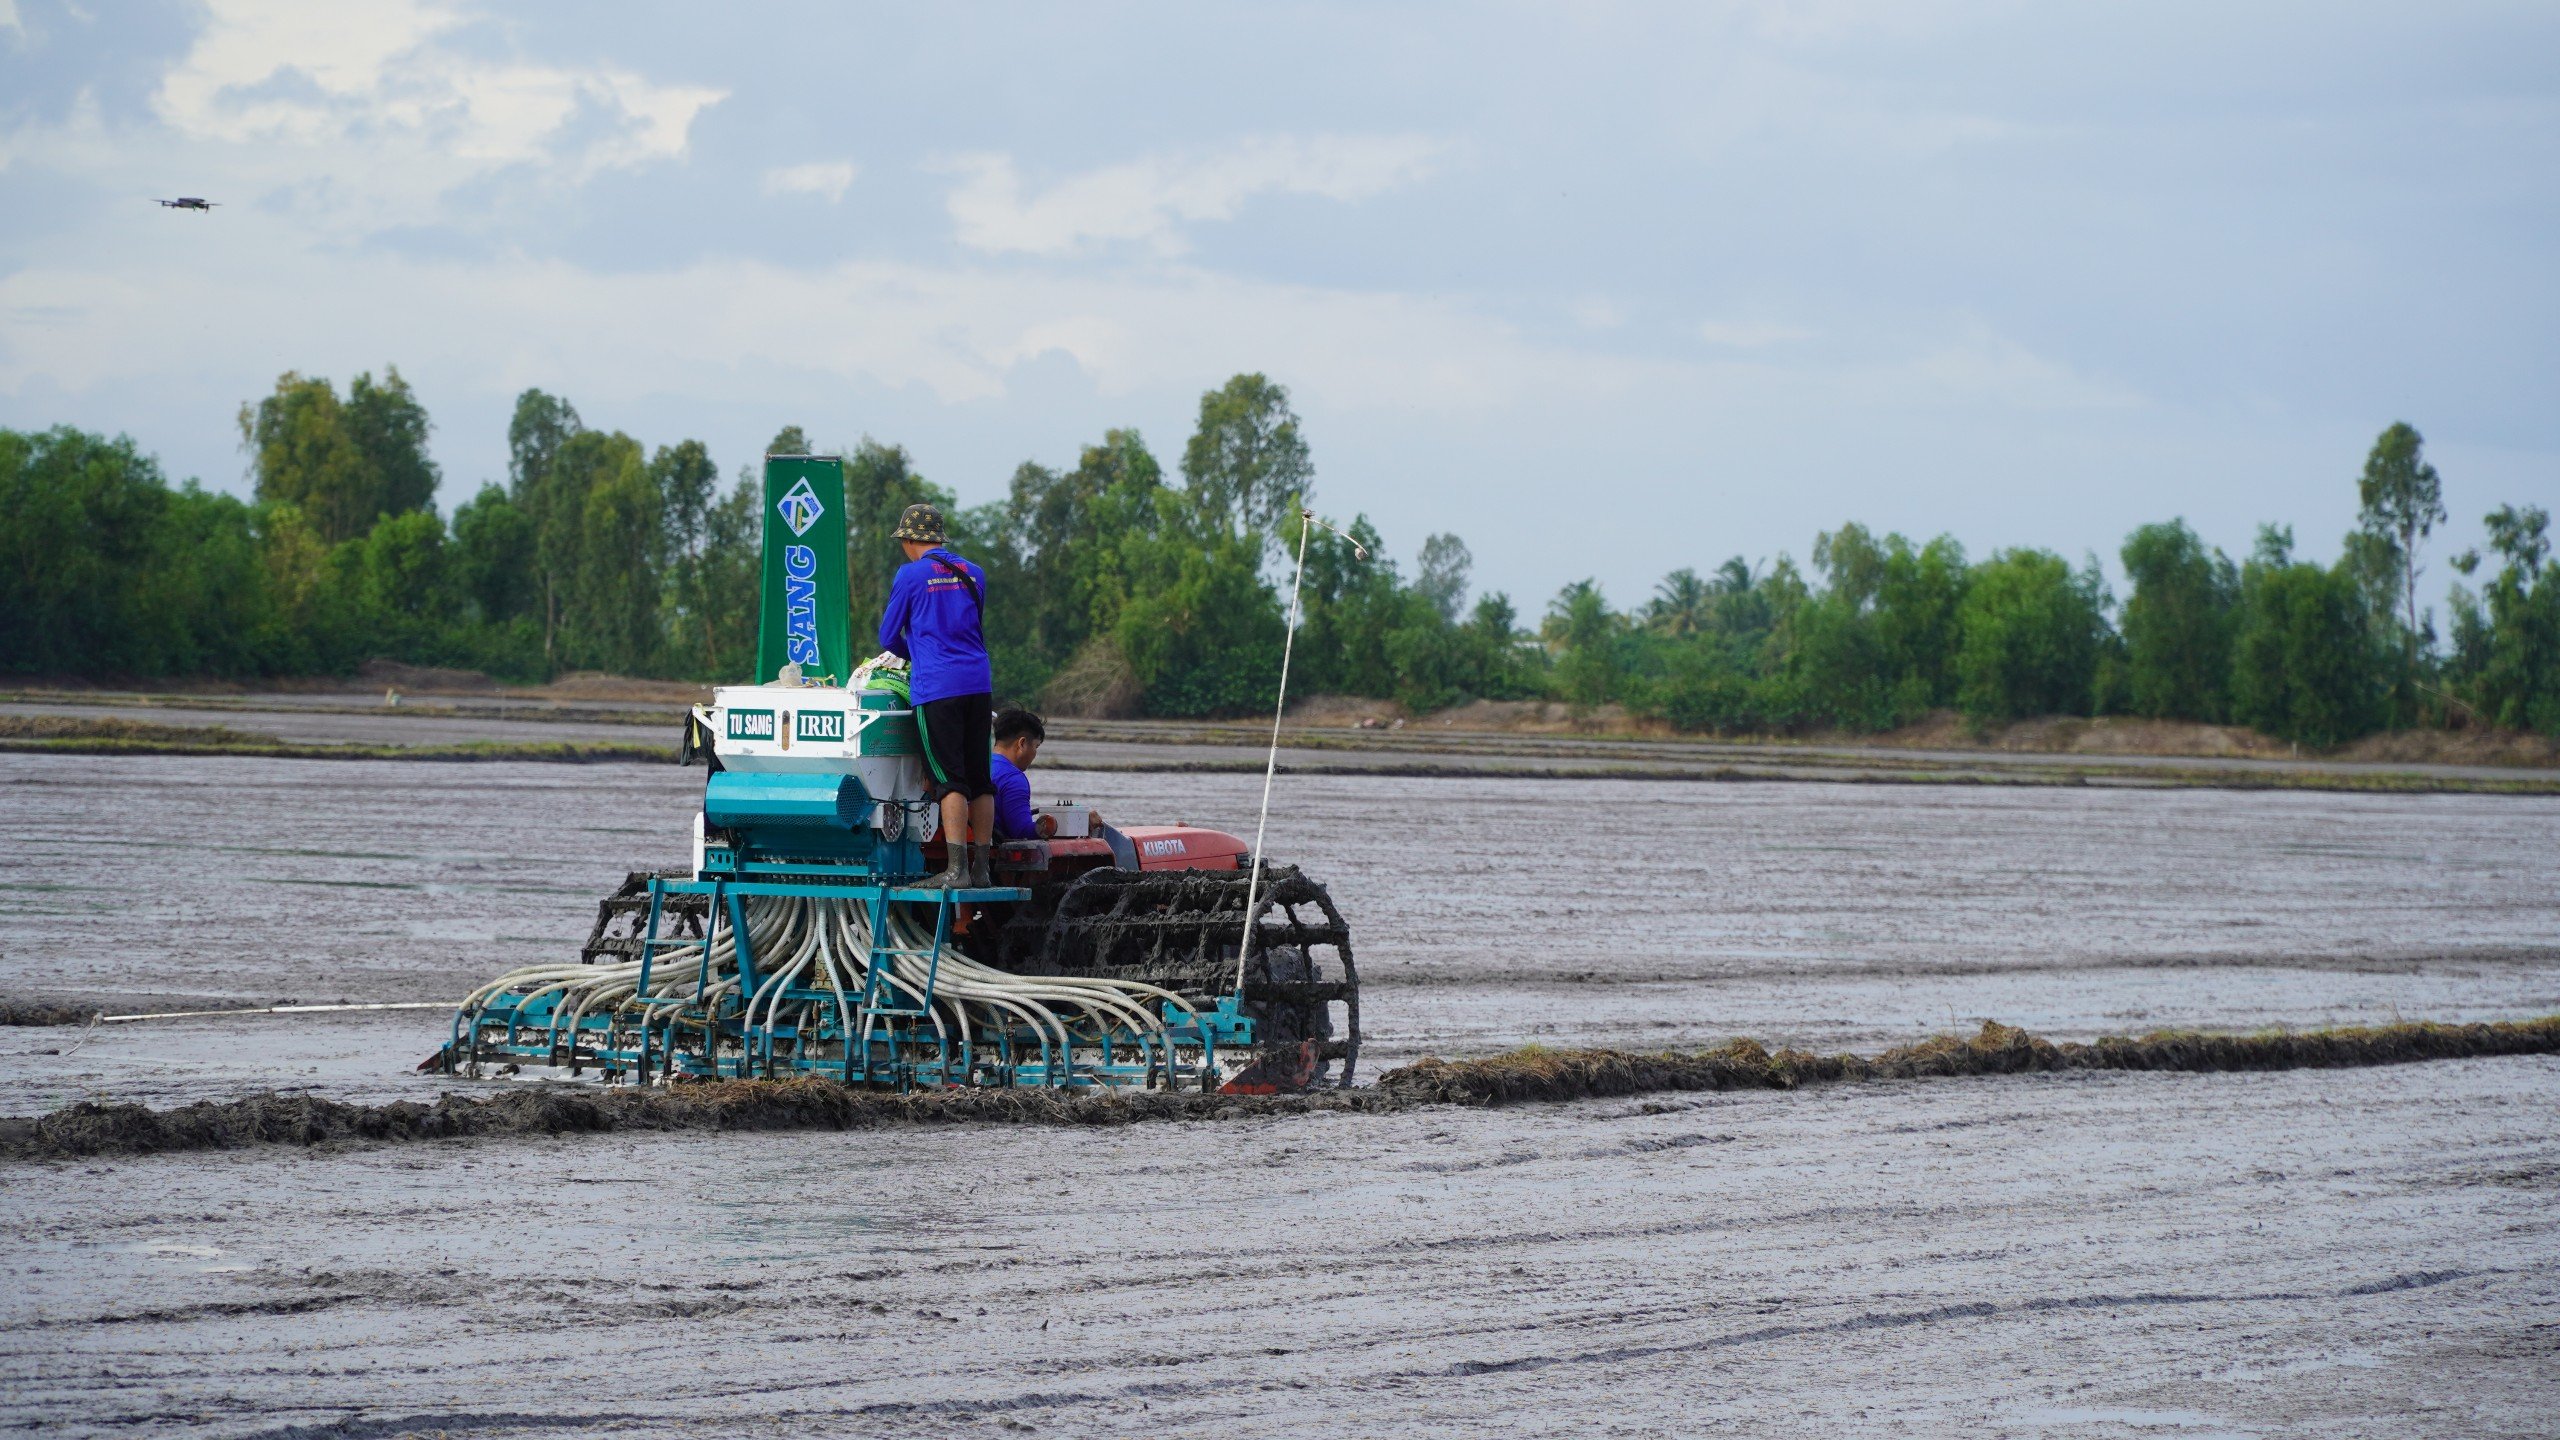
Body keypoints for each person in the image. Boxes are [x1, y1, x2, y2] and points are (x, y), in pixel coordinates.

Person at [877, 503, 994, 888]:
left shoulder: (910, 575)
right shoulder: (974, 573)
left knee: (950, 780)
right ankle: (982, 869)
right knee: (980, 778)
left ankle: (956, 870)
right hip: (978, 683)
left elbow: (888, 639)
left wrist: (920, 656)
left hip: (938, 687)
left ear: (911, 541)